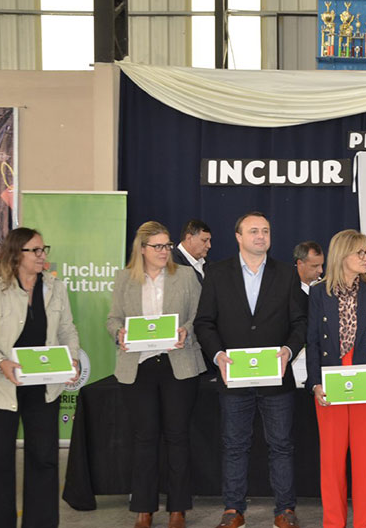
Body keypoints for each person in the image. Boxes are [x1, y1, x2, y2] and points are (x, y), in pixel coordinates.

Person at [194, 211, 307, 528]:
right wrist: (218, 355)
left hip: (277, 378)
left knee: (282, 446)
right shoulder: (217, 273)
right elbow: (204, 322)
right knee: (234, 446)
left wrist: (288, 351)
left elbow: (300, 322)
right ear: (238, 237)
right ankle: (233, 510)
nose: (261, 236)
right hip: (234, 377)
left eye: (266, 231)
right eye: (254, 231)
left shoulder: (286, 274)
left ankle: (285, 511)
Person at [0, 227, 80, 528]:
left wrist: (73, 360)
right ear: (17, 255)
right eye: (36, 250)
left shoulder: (57, 288)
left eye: (44, 250)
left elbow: (68, 330)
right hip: (2, 387)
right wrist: (0, 362)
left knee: (44, 459)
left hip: (44, 388)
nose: (43, 256)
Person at [107, 221, 206, 528]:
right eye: (158, 246)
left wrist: (185, 332)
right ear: (142, 249)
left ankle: (178, 508)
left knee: (177, 437)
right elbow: (113, 319)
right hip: (138, 367)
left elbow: (200, 317)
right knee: (144, 438)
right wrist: (119, 333)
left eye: (167, 246)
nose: (165, 252)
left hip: (178, 363)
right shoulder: (125, 278)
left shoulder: (186, 276)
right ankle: (144, 508)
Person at [305, 229, 366, 528]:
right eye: (361, 253)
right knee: (331, 460)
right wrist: (315, 382)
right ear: (344, 255)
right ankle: (334, 522)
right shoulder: (318, 292)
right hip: (331, 379)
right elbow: (312, 340)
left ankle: (365, 523)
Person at [172, 219, 212, 283]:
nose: (209, 245)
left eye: (210, 241)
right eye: (204, 240)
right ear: (189, 239)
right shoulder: (171, 264)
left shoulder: (208, 265)